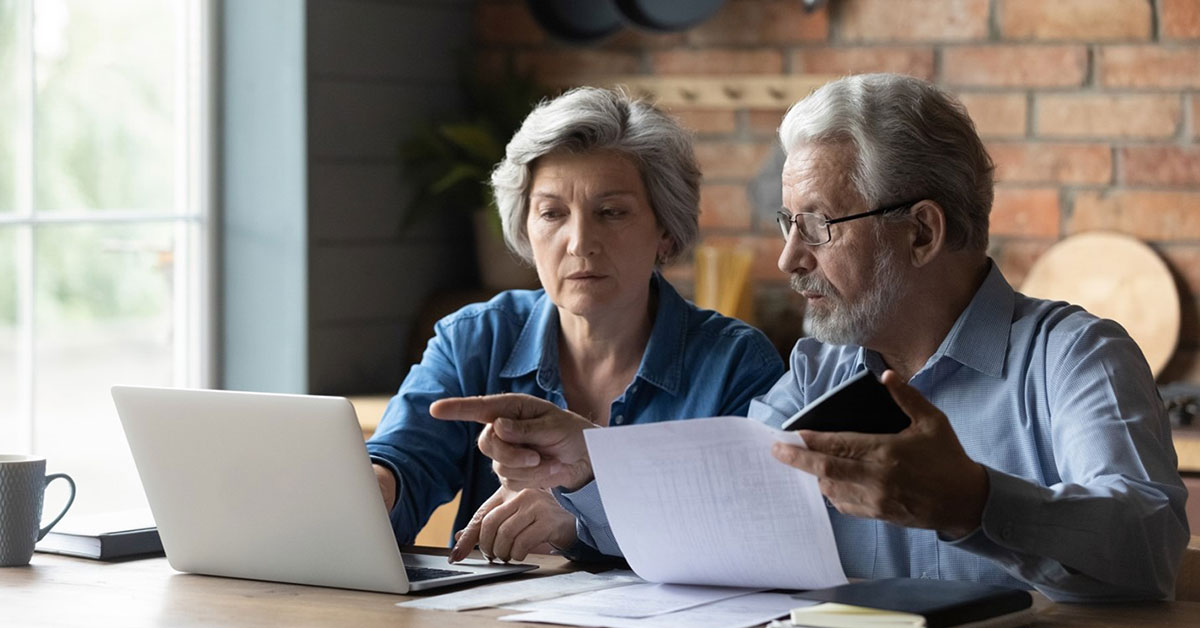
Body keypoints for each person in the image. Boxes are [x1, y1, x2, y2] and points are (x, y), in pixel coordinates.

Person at [431, 74, 1189, 602]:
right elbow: (722, 509)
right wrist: (591, 466)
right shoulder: (818, 368)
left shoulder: (1074, 355)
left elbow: (1149, 549)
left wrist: (973, 501)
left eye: (818, 226)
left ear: (922, 231)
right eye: (787, 225)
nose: (791, 259)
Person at [366, 87, 785, 564]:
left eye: (611, 212)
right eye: (552, 213)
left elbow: (751, 532)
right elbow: (405, 460)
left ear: (665, 231)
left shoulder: (736, 365)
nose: (580, 242)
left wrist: (583, 521)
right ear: (526, 229)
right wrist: (375, 491)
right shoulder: (475, 339)